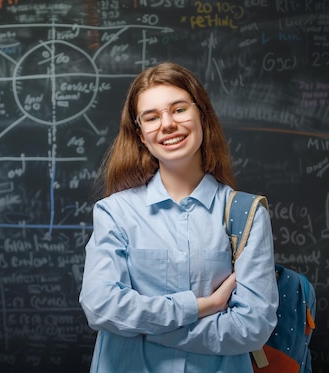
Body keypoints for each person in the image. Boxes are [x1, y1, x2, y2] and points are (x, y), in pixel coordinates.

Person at [78, 62, 278, 372]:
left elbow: (252, 327)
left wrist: (145, 328)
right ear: (141, 135)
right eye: (152, 117)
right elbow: (100, 306)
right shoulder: (115, 213)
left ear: (202, 116)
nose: (167, 124)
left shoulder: (246, 214)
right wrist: (202, 307)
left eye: (179, 109)